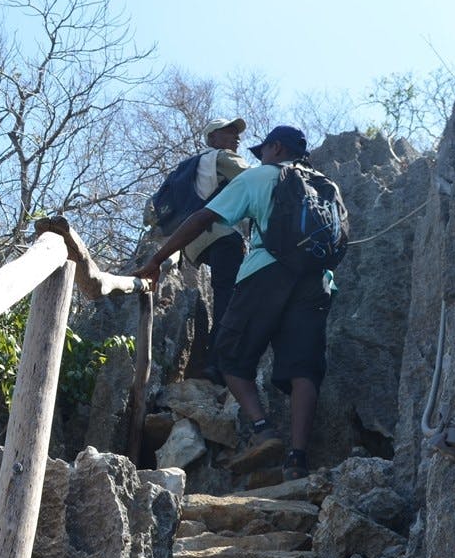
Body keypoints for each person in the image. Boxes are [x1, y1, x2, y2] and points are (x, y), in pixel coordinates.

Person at [134, 124, 335, 481]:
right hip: (317, 281)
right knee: (305, 368)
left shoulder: (260, 178)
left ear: (275, 148)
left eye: (263, 151)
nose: (260, 157)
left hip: (265, 274)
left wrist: (157, 259)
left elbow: (203, 217)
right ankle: (297, 458)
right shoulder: (324, 185)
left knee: (229, 355)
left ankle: (263, 430)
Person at [150, 118, 250, 379]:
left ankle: (212, 359)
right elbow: (254, 180)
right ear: (212, 138)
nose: (235, 137)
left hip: (194, 245)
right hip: (222, 234)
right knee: (230, 298)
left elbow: (152, 214)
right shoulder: (222, 158)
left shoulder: (187, 169)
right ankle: (218, 363)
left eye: (236, 133)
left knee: (222, 293)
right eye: (228, 132)